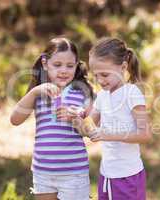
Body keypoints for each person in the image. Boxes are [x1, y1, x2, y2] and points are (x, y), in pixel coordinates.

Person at [10, 37, 94, 200]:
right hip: (43, 171)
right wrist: (34, 92)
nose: (63, 70)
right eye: (57, 65)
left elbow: (92, 132)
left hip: (73, 172)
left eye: (70, 66)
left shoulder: (82, 93)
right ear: (45, 63)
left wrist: (75, 120)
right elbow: (15, 119)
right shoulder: (38, 94)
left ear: (77, 65)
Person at [74, 37, 151, 200]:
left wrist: (107, 134)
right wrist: (77, 119)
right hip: (107, 174)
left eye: (105, 74)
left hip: (128, 176)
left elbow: (144, 135)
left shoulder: (132, 94)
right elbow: (89, 127)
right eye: (96, 76)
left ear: (123, 67)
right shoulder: (102, 96)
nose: (100, 80)